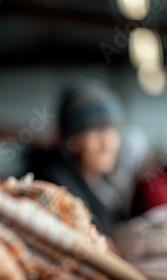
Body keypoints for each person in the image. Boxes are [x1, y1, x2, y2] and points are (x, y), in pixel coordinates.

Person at [28, 79, 125, 238]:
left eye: (111, 130)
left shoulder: (108, 186)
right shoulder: (54, 187)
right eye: (95, 131)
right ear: (72, 141)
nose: (107, 144)